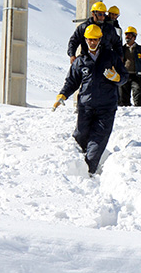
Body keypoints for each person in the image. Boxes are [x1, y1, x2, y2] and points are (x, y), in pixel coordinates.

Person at [54, 24, 128, 175]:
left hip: (106, 108)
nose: (92, 42)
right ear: (86, 40)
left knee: (97, 141)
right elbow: (71, 82)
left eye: (95, 39)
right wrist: (62, 95)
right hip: (86, 107)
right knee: (80, 137)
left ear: (100, 39)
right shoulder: (80, 61)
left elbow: (125, 76)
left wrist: (117, 78)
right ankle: (78, 167)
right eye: (89, 40)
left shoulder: (111, 57)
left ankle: (88, 173)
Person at [119, 26, 141, 107]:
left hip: (136, 75)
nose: (127, 37)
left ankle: (139, 108)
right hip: (124, 75)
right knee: (123, 95)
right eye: (126, 35)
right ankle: (125, 109)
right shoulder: (122, 49)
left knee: (138, 91)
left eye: (129, 35)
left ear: (134, 37)